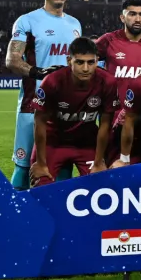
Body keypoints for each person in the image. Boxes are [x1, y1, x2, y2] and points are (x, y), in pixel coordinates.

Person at [5, 0, 83, 189]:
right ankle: (15, 213)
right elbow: (12, 60)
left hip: (67, 107)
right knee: (23, 166)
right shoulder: (27, 21)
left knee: (64, 165)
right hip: (34, 105)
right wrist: (39, 73)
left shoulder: (75, 24)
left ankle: (60, 217)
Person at [29, 38, 119, 186]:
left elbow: (105, 124)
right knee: (41, 187)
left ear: (97, 61)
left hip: (87, 143)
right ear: (69, 60)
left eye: (91, 62)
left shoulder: (108, 82)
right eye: (79, 62)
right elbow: (39, 122)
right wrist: (40, 162)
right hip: (54, 142)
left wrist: (98, 162)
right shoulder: (52, 81)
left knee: (101, 186)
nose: (85, 68)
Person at [95, 0, 141, 155]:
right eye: (132, 14)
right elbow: (85, 62)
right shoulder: (108, 40)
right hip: (113, 114)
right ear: (122, 17)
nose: (137, 18)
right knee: (113, 163)